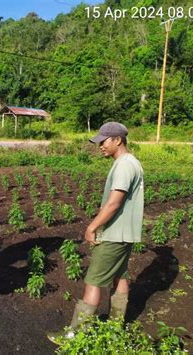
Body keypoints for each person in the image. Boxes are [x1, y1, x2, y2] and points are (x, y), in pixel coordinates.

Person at [47, 122, 144, 344]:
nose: (100, 145)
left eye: (104, 141)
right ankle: (115, 325)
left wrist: (91, 227)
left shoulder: (123, 166)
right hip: (125, 234)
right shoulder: (131, 162)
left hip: (114, 234)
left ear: (117, 140)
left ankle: (75, 334)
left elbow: (114, 203)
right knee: (121, 275)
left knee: (93, 281)